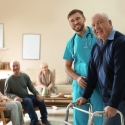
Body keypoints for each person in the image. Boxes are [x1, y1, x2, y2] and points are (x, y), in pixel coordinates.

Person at [76, 13, 125, 125]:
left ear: (110, 23)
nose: (96, 27)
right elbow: (92, 75)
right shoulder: (96, 46)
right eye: (93, 25)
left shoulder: (120, 43)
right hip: (109, 99)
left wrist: (113, 104)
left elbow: (120, 77)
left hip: (121, 99)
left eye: (100, 22)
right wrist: (85, 96)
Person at [63, 9, 104, 125]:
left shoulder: (97, 35)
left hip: (97, 84)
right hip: (80, 85)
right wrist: (77, 78)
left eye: (77, 18)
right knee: (79, 118)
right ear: (70, 24)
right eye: (72, 21)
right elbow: (67, 66)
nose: (75, 22)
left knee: (100, 116)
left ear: (84, 18)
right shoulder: (70, 43)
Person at [4, 60, 51, 125]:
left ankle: (44, 119)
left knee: (41, 100)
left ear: (19, 66)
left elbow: (31, 87)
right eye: (13, 66)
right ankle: (34, 122)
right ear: (10, 68)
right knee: (28, 101)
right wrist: (14, 97)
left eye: (17, 65)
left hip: (27, 95)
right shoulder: (9, 80)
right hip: (20, 98)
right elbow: (6, 93)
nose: (15, 67)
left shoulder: (25, 76)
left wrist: (37, 94)